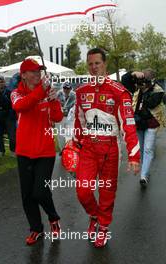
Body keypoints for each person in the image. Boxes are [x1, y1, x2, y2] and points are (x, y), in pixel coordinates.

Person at [73, 48, 140, 248]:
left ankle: (103, 226)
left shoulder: (119, 92)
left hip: (110, 147)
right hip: (88, 147)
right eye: (91, 64)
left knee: (106, 192)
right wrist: (75, 146)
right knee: (83, 191)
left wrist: (134, 156)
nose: (94, 68)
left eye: (97, 63)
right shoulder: (80, 91)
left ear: (105, 65)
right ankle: (94, 215)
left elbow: (129, 125)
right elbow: (79, 122)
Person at [10, 58, 63, 245]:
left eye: (38, 71)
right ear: (23, 74)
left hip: (45, 151)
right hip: (24, 151)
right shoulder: (16, 93)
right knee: (27, 195)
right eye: (32, 71)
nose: (36, 74)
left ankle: (53, 217)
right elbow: (20, 106)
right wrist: (42, 91)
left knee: (40, 191)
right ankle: (36, 229)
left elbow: (57, 117)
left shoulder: (48, 91)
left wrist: (54, 100)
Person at [122, 70, 166, 188]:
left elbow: (150, 104)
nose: (142, 83)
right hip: (139, 123)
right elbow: (124, 80)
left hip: (151, 123)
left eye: (145, 81)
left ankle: (143, 176)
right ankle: (145, 170)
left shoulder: (158, 90)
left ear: (151, 81)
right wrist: (133, 74)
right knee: (141, 150)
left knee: (148, 149)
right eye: (142, 80)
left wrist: (144, 90)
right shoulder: (137, 87)